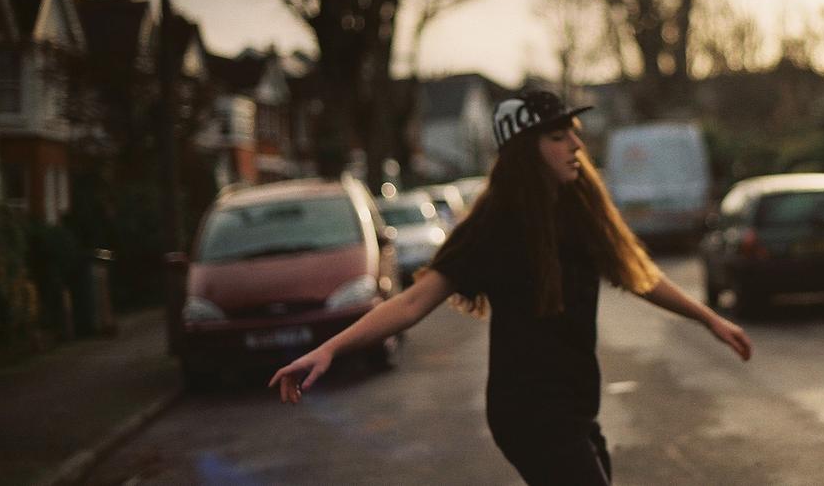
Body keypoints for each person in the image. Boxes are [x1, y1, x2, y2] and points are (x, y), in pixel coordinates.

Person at [269, 89, 752, 485]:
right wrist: (330, 348)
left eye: (574, 136)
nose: (577, 148)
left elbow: (639, 275)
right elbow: (415, 300)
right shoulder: (493, 227)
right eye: (560, 138)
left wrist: (708, 318)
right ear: (526, 150)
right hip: (528, 413)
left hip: (577, 405)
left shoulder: (580, 210)